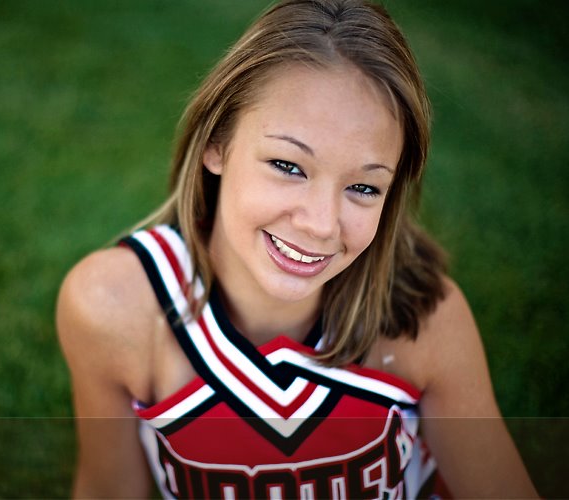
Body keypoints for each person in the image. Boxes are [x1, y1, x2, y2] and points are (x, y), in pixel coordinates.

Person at [57, 0, 538, 498]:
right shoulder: (115, 306)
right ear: (217, 142)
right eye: (288, 166)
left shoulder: (424, 319)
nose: (321, 224)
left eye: (364, 187)